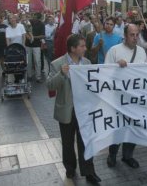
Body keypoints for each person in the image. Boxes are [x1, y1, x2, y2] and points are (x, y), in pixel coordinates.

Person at [46, 34, 101, 184]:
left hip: (84, 111)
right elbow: (50, 85)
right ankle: (70, 168)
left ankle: (89, 172)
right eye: (82, 46)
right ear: (73, 48)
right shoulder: (57, 64)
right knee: (68, 143)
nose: (85, 48)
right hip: (67, 111)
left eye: (84, 45)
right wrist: (61, 74)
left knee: (86, 142)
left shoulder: (87, 62)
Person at [105, 24, 147, 169]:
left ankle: (128, 156)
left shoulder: (141, 51)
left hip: (135, 99)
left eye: (137, 35)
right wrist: (116, 66)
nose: (135, 38)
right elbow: (105, 73)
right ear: (124, 35)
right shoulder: (114, 51)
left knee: (132, 128)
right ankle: (112, 155)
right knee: (117, 128)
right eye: (132, 34)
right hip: (117, 99)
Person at [25, 13, 45, 82]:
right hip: (28, 44)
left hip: (37, 45)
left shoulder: (42, 24)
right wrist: (29, 36)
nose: (34, 18)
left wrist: (33, 37)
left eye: (35, 17)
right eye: (33, 16)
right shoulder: (28, 22)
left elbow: (43, 36)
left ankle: (38, 77)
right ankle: (29, 75)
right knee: (29, 61)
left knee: (37, 61)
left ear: (38, 18)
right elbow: (26, 31)